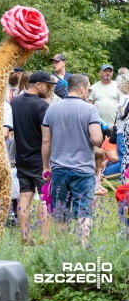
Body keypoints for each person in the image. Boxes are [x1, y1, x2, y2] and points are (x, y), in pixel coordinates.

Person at [42, 74, 103, 247]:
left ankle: (62, 249)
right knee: (84, 210)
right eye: (88, 89)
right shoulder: (90, 109)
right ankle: (83, 247)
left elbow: (46, 141)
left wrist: (46, 166)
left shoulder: (52, 109)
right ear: (82, 88)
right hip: (83, 169)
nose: (88, 93)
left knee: (61, 211)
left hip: (59, 168)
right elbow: (97, 139)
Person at [10, 71, 54, 246]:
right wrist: (46, 164)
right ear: (38, 85)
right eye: (48, 85)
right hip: (39, 159)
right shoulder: (42, 106)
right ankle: (44, 237)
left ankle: (25, 236)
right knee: (45, 198)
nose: (49, 89)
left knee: (24, 197)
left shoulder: (15, 102)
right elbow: (46, 138)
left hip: (21, 157)